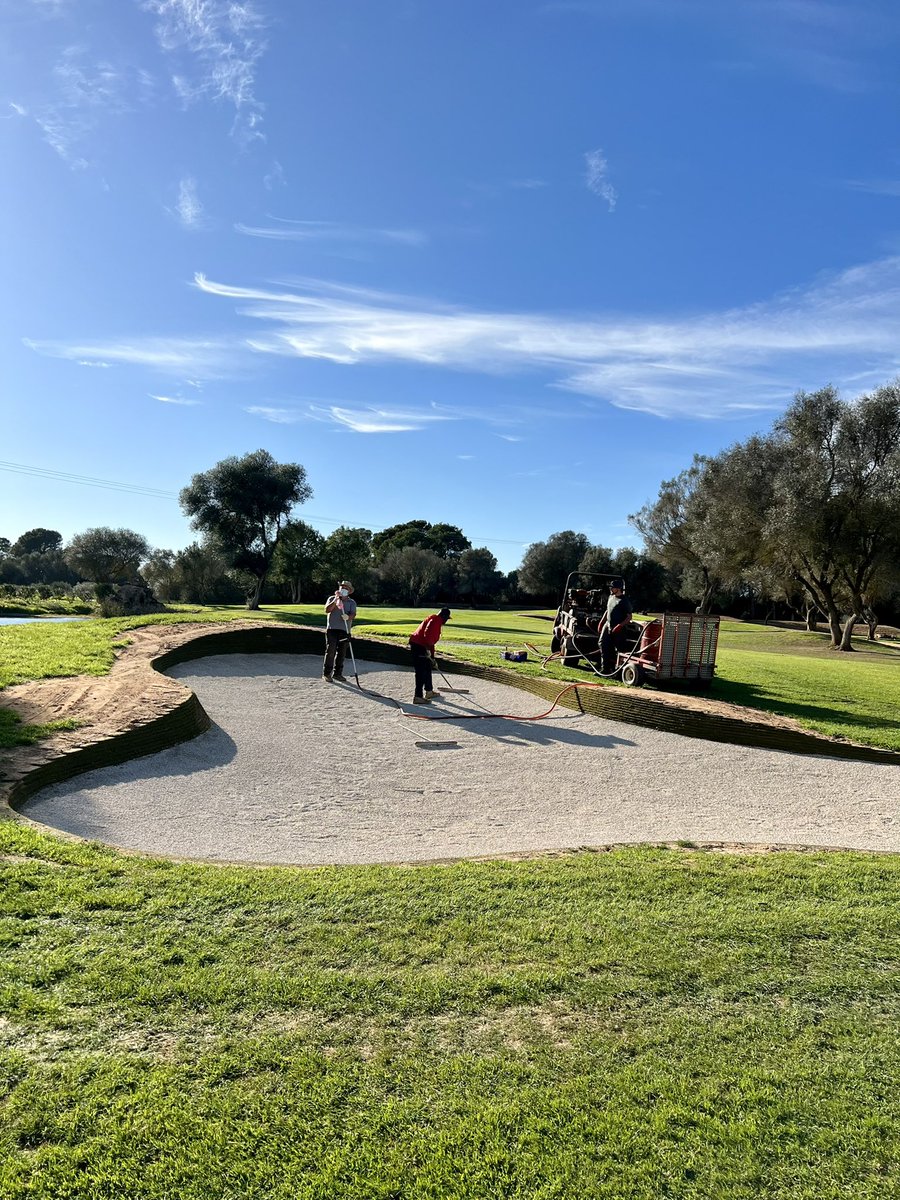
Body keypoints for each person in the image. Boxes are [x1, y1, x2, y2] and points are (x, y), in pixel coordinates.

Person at [408, 607, 451, 704]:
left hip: (421, 645)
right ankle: (418, 696)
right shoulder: (435, 621)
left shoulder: (436, 620)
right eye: (447, 618)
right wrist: (427, 649)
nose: (446, 621)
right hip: (419, 646)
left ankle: (429, 691)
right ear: (444, 616)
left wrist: (432, 657)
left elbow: (431, 642)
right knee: (420, 671)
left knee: (427, 667)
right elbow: (428, 635)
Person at [323, 581, 357, 681]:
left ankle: (337, 674)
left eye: (346, 588)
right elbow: (327, 610)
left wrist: (348, 617)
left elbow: (353, 614)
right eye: (342, 587)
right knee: (331, 651)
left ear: (349, 591)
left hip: (345, 630)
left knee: (342, 653)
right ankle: (327, 674)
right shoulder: (332, 598)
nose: (344, 589)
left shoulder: (352, 602)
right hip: (332, 629)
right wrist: (336, 600)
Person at [600, 578, 633, 674]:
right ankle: (605, 669)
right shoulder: (611, 597)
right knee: (603, 644)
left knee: (620, 649)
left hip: (618, 629)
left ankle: (618, 671)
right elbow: (608, 610)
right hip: (608, 625)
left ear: (618, 589)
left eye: (612, 587)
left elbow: (629, 617)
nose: (610, 589)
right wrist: (602, 622)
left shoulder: (624, 601)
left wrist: (620, 626)